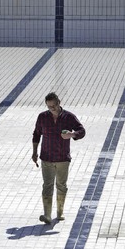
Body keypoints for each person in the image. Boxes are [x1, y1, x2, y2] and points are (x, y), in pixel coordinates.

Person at [31, 92, 85, 224]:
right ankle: (47, 215)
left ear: (59, 102)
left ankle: (60, 212)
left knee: (61, 185)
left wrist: (72, 134)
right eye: (49, 107)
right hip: (47, 158)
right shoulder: (42, 117)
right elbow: (36, 134)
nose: (52, 109)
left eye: (54, 106)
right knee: (47, 185)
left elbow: (82, 131)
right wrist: (34, 152)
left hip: (62, 158)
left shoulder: (69, 117)